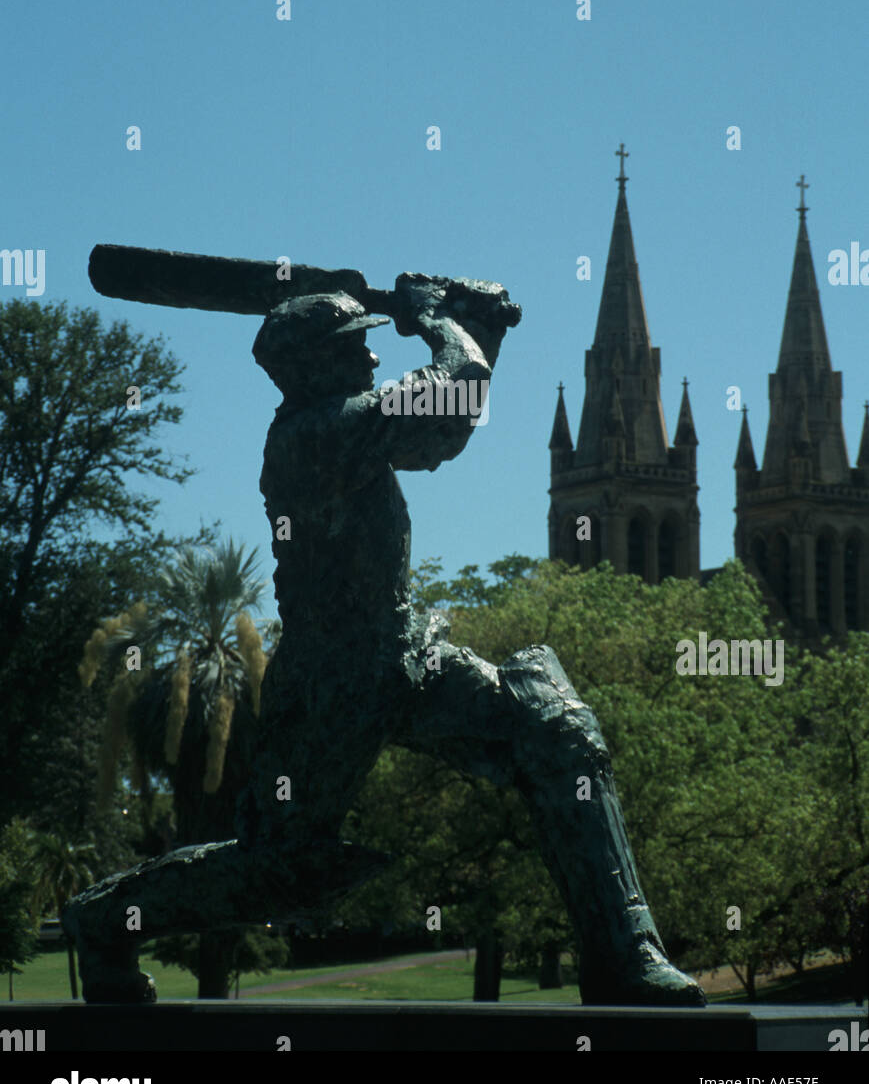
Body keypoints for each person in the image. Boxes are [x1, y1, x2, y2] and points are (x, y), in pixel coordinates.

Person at [64, 273, 704, 1006]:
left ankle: (624, 957)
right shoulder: (313, 438)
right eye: (354, 349)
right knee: (283, 870)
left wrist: (474, 324)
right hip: (333, 680)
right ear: (310, 367)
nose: (371, 360)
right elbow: (453, 385)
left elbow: (445, 429)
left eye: (370, 345)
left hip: (403, 652)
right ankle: (104, 919)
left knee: (558, 735)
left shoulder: (352, 427)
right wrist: (434, 321)